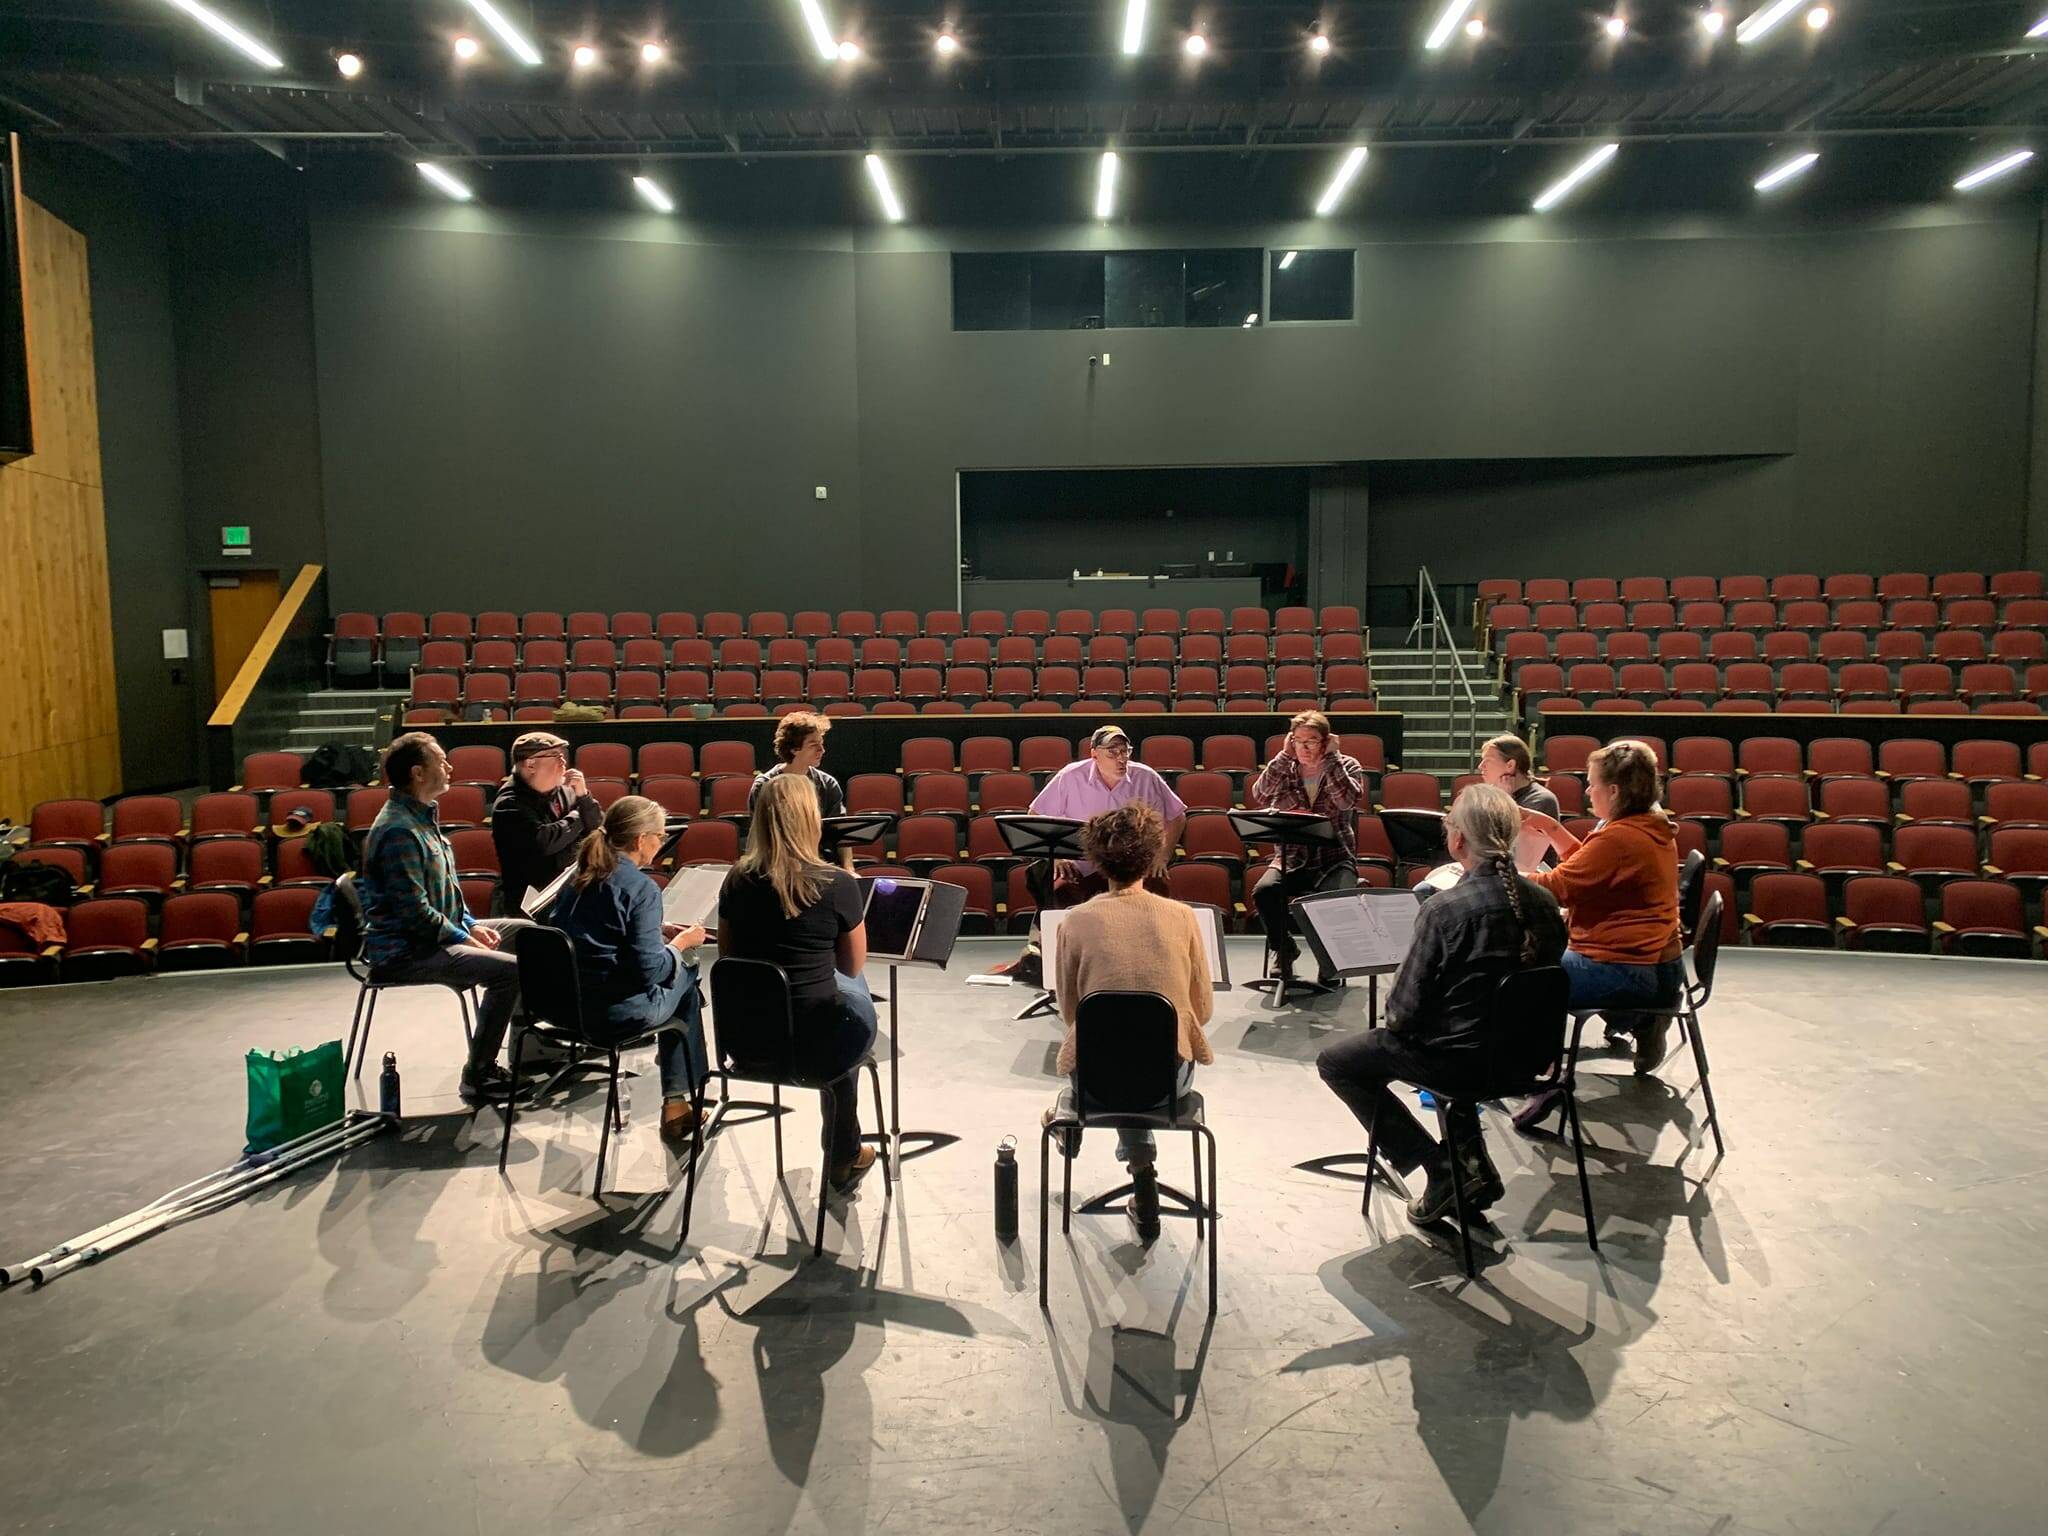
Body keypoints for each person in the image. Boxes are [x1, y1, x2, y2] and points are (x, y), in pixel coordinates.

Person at [1315, 785, 1567, 1224]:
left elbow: (1401, 1014)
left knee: (1338, 1063)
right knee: (1459, 1033)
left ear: (1458, 841)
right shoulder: (1546, 903)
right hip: (1528, 1063)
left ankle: (1441, 1169)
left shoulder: (1444, 909)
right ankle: (1474, 1167)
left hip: (1462, 1066)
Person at [1045, 803, 1215, 1242]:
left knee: (1111, 1046)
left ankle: (1088, 1134)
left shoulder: (1075, 920)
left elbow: (1070, 1011)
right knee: (1144, 1047)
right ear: (1154, 853)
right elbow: (1203, 1009)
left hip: (1095, 1083)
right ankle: (1143, 1181)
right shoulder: (1182, 917)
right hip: (1168, 1083)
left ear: (1096, 860)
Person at [717, 772, 881, 1193]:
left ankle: (845, 1150)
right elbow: (852, 963)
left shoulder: (735, 880)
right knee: (850, 1000)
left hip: (749, 1044)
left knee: (831, 1011)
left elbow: (727, 958)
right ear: (811, 820)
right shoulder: (838, 883)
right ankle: (843, 1153)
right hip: (814, 1049)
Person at [357, 732, 536, 1106]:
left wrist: (470, 927)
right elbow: (414, 913)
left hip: (438, 936)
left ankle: (529, 1040)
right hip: (406, 951)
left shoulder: (422, 819)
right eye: (441, 760)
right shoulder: (398, 830)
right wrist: (464, 937)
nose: (450, 767)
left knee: (528, 935)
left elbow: (447, 897)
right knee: (512, 972)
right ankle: (480, 1073)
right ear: (419, 773)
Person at [1517, 739, 1684, 1088]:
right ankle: (1639, 1021)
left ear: (1614, 790)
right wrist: (1551, 828)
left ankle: (1534, 1070)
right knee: (1540, 956)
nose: (1588, 791)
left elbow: (1555, 887)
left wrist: (1496, 872)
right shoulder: (1647, 823)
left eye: (1592, 784)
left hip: (1624, 969)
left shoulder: (1620, 838)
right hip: (1655, 964)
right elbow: (1591, 867)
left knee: (1523, 977)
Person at [547, 795, 710, 1143]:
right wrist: (681, 944)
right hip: (616, 1013)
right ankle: (678, 1103)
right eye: (660, 836)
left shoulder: (577, 878)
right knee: (689, 971)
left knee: (681, 980)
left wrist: (659, 936)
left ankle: (679, 1103)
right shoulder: (641, 888)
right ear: (640, 840)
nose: (661, 842)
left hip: (563, 1007)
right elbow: (652, 971)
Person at [1249, 710, 1366, 985]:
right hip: (1293, 857)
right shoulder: (1285, 767)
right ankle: (1285, 948)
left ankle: (1330, 961)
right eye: (1297, 740)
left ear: (1326, 742)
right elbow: (1259, 794)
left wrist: (1332, 759)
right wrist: (1284, 755)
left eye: (1311, 740)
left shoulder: (1347, 765)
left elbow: (1346, 801)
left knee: (1330, 900)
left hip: (1335, 858)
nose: (1303, 746)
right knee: (1265, 891)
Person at [1028, 725, 1185, 908]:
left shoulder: (1146, 777)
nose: (1121, 758)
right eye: (1113, 753)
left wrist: (1162, 857)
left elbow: (1178, 816)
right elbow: (1036, 814)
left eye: (1125, 751)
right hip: (1082, 865)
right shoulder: (1070, 776)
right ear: (1094, 755)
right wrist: (1057, 859)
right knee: (1061, 890)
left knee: (1159, 887)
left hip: (1134, 865)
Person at [491, 731, 602, 914]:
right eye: (555, 756)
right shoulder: (509, 803)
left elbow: (596, 828)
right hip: (529, 905)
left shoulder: (566, 792)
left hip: (569, 896)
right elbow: (544, 842)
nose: (563, 762)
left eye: (563, 755)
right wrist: (578, 816)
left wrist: (585, 798)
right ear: (530, 764)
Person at [748, 711, 846, 819]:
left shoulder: (827, 785)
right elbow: (762, 831)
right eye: (813, 745)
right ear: (794, 749)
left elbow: (837, 829)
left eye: (821, 743)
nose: (822, 750)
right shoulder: (764, 786)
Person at [1477, 733, 1560, 821]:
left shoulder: (1541, 800)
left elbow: (1507, 833)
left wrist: (1505, 800)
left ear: (1510, 765)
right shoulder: (1490, 797)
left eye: (1488, 760)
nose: (1481, 766)